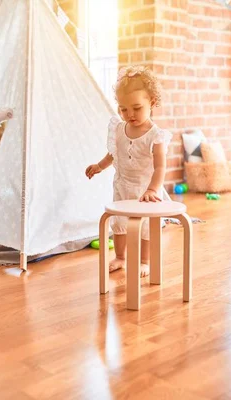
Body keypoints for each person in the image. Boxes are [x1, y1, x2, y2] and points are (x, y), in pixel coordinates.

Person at [85, 65, 172, 277]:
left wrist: (153, 189)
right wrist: (99, 166)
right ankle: (121, 257)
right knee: (119, 223)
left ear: (151, 103)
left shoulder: (156, 135)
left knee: (145, 228)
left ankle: (145, 261)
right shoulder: (119, 128)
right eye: (124, 109)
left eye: (136, 108)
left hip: (146, 189)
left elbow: (160, 166)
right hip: (122, 184)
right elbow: (114, 154)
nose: (129, 114)